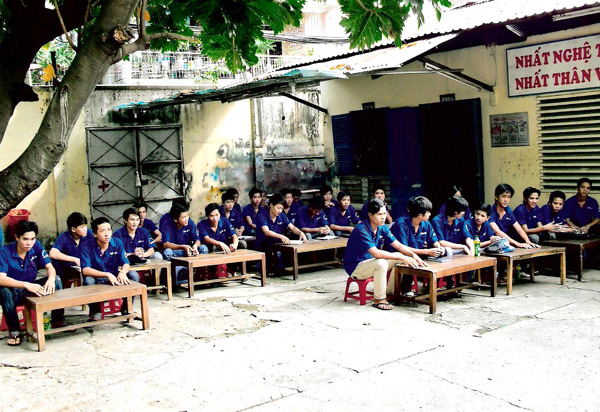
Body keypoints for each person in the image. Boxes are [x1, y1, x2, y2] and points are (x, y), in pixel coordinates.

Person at [343, 199, 425, 310]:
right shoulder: (361, 229)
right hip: (355, 267)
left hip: (371, 263)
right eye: (379, 214)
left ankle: (390, 292)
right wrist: (401, 255)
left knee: (399, 258)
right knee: (382, 262)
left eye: (384, 214)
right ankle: (379, 299)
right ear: (370, 215)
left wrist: (413, 255)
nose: (383, 217)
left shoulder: (383, 227)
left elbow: (399, 246)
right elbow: (376, 253)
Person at [0, 221, 63, 346]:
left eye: (32, 239)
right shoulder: (4, 252)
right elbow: (1, 278)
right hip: (13, 293)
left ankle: (57, 321)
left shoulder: (37, 246)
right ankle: (14, 331)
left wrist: (50, 278)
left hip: (30, 289)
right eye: (25, 239)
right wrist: (25, 284)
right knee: (4, 291)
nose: (29, 243)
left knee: (56, 280)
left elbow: (50, 267)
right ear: (16, 237)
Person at [81, 217, 139, 321]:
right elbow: (85, 270)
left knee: (133, 275)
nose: (107, 234)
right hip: (97, 277)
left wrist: (122, 272)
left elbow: (126, 263)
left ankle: (126, 308)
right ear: (95, 234)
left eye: (109, 230)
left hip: (115, 276)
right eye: (102, 231)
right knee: (88, 280)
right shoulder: (86, 246)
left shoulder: (117, 243)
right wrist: (107, 274)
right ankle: (96, 311)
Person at [390, 196, 444, 296]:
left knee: (442, 256)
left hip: (418, 252)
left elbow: (433, 239)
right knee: (410, 259)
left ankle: (432, 286)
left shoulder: (426, 223)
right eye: (428, 212)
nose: (430, 214)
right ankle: (405, 289)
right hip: (400, 254)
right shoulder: (401, 224)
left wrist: (438, 248)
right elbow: (403, 248)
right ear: (420, 215)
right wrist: (427, 252)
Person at [255, 194, 307, 274]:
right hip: (264, 243)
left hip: (278, 241)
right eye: (278, 208)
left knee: (295, 236)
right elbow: (266, 231)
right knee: (268, 241)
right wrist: (281, 236)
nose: (280, 211)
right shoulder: (262, 216)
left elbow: (292, 227)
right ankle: (268, 269)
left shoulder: (282, 216)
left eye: (281, 209)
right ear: (271, 205)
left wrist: (301, 232)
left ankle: (293, 266)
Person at [489, 183, 539, 249]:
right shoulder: (490, 211)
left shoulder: (508, 210)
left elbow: (519, 228)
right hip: (495, 241)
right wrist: (517, 244)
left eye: (508, 197)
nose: (506, 200)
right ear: (496, 197)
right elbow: (497, 232)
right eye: (503, 196)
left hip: (508, 240)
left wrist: (528, 242)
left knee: (532, 240)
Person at [49, 212, 95, 282]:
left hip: (86, 265)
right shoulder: (64, 237)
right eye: (82, 227)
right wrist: (75, 260)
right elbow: (53, 253)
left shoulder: (89, 233)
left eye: (85, 226)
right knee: (55, 263)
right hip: (69, 268)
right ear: (73, 229)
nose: (85, 229)